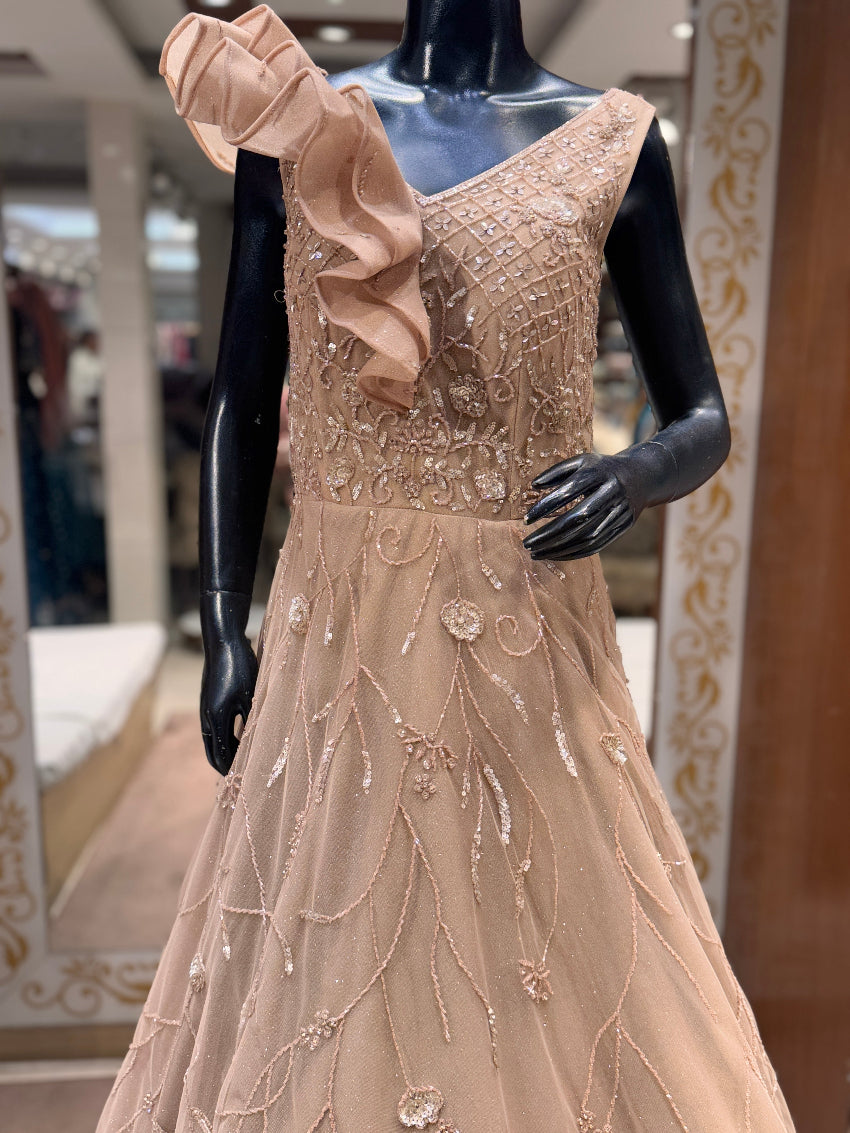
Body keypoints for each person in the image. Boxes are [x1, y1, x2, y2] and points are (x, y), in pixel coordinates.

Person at [97, 3, 797, 1130]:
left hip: (526, 616)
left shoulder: (613, 140)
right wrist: (224, 617)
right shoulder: (301, 126)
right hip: (339, 628)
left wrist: (637, 473)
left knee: (535, 936)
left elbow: (702, 411)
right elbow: (241, 386)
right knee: (326, 936)